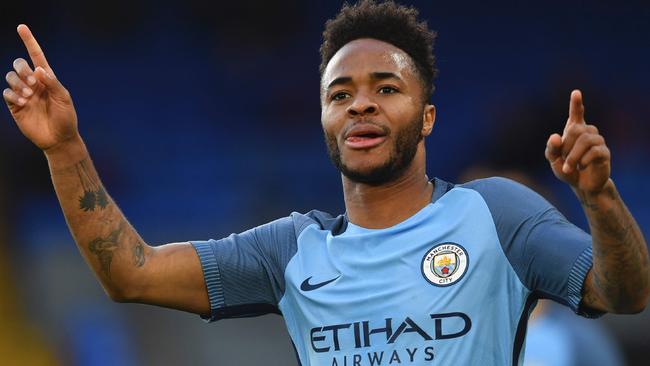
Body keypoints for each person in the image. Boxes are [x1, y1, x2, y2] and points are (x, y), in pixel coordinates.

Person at [3, 1, 649, 365]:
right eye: (340, 94)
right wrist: (65, 146)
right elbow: (131, 273)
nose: (360, 105)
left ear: (427, 118)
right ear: (323, 119)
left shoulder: (496, 215)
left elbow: (627, 293)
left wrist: (600, 200)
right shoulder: (291, 252)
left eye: (385, 89)